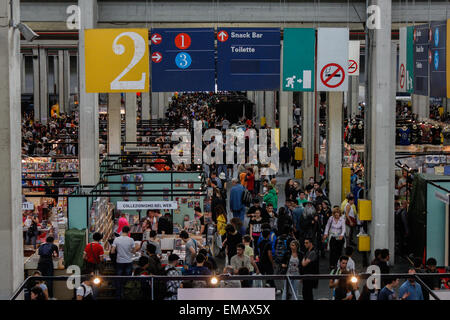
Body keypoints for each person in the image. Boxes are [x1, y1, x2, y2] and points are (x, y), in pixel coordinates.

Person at [111, 225, 139, 299]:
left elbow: (112, 251)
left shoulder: (116, 239)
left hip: (119, 262)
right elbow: (133, 251)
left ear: (122, 231)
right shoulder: (131, 240)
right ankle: (127, 295)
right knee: (128, 280)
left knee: (119, 279)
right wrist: (135, 249)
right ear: (128, 231)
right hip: (128, 261)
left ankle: (118, 296)